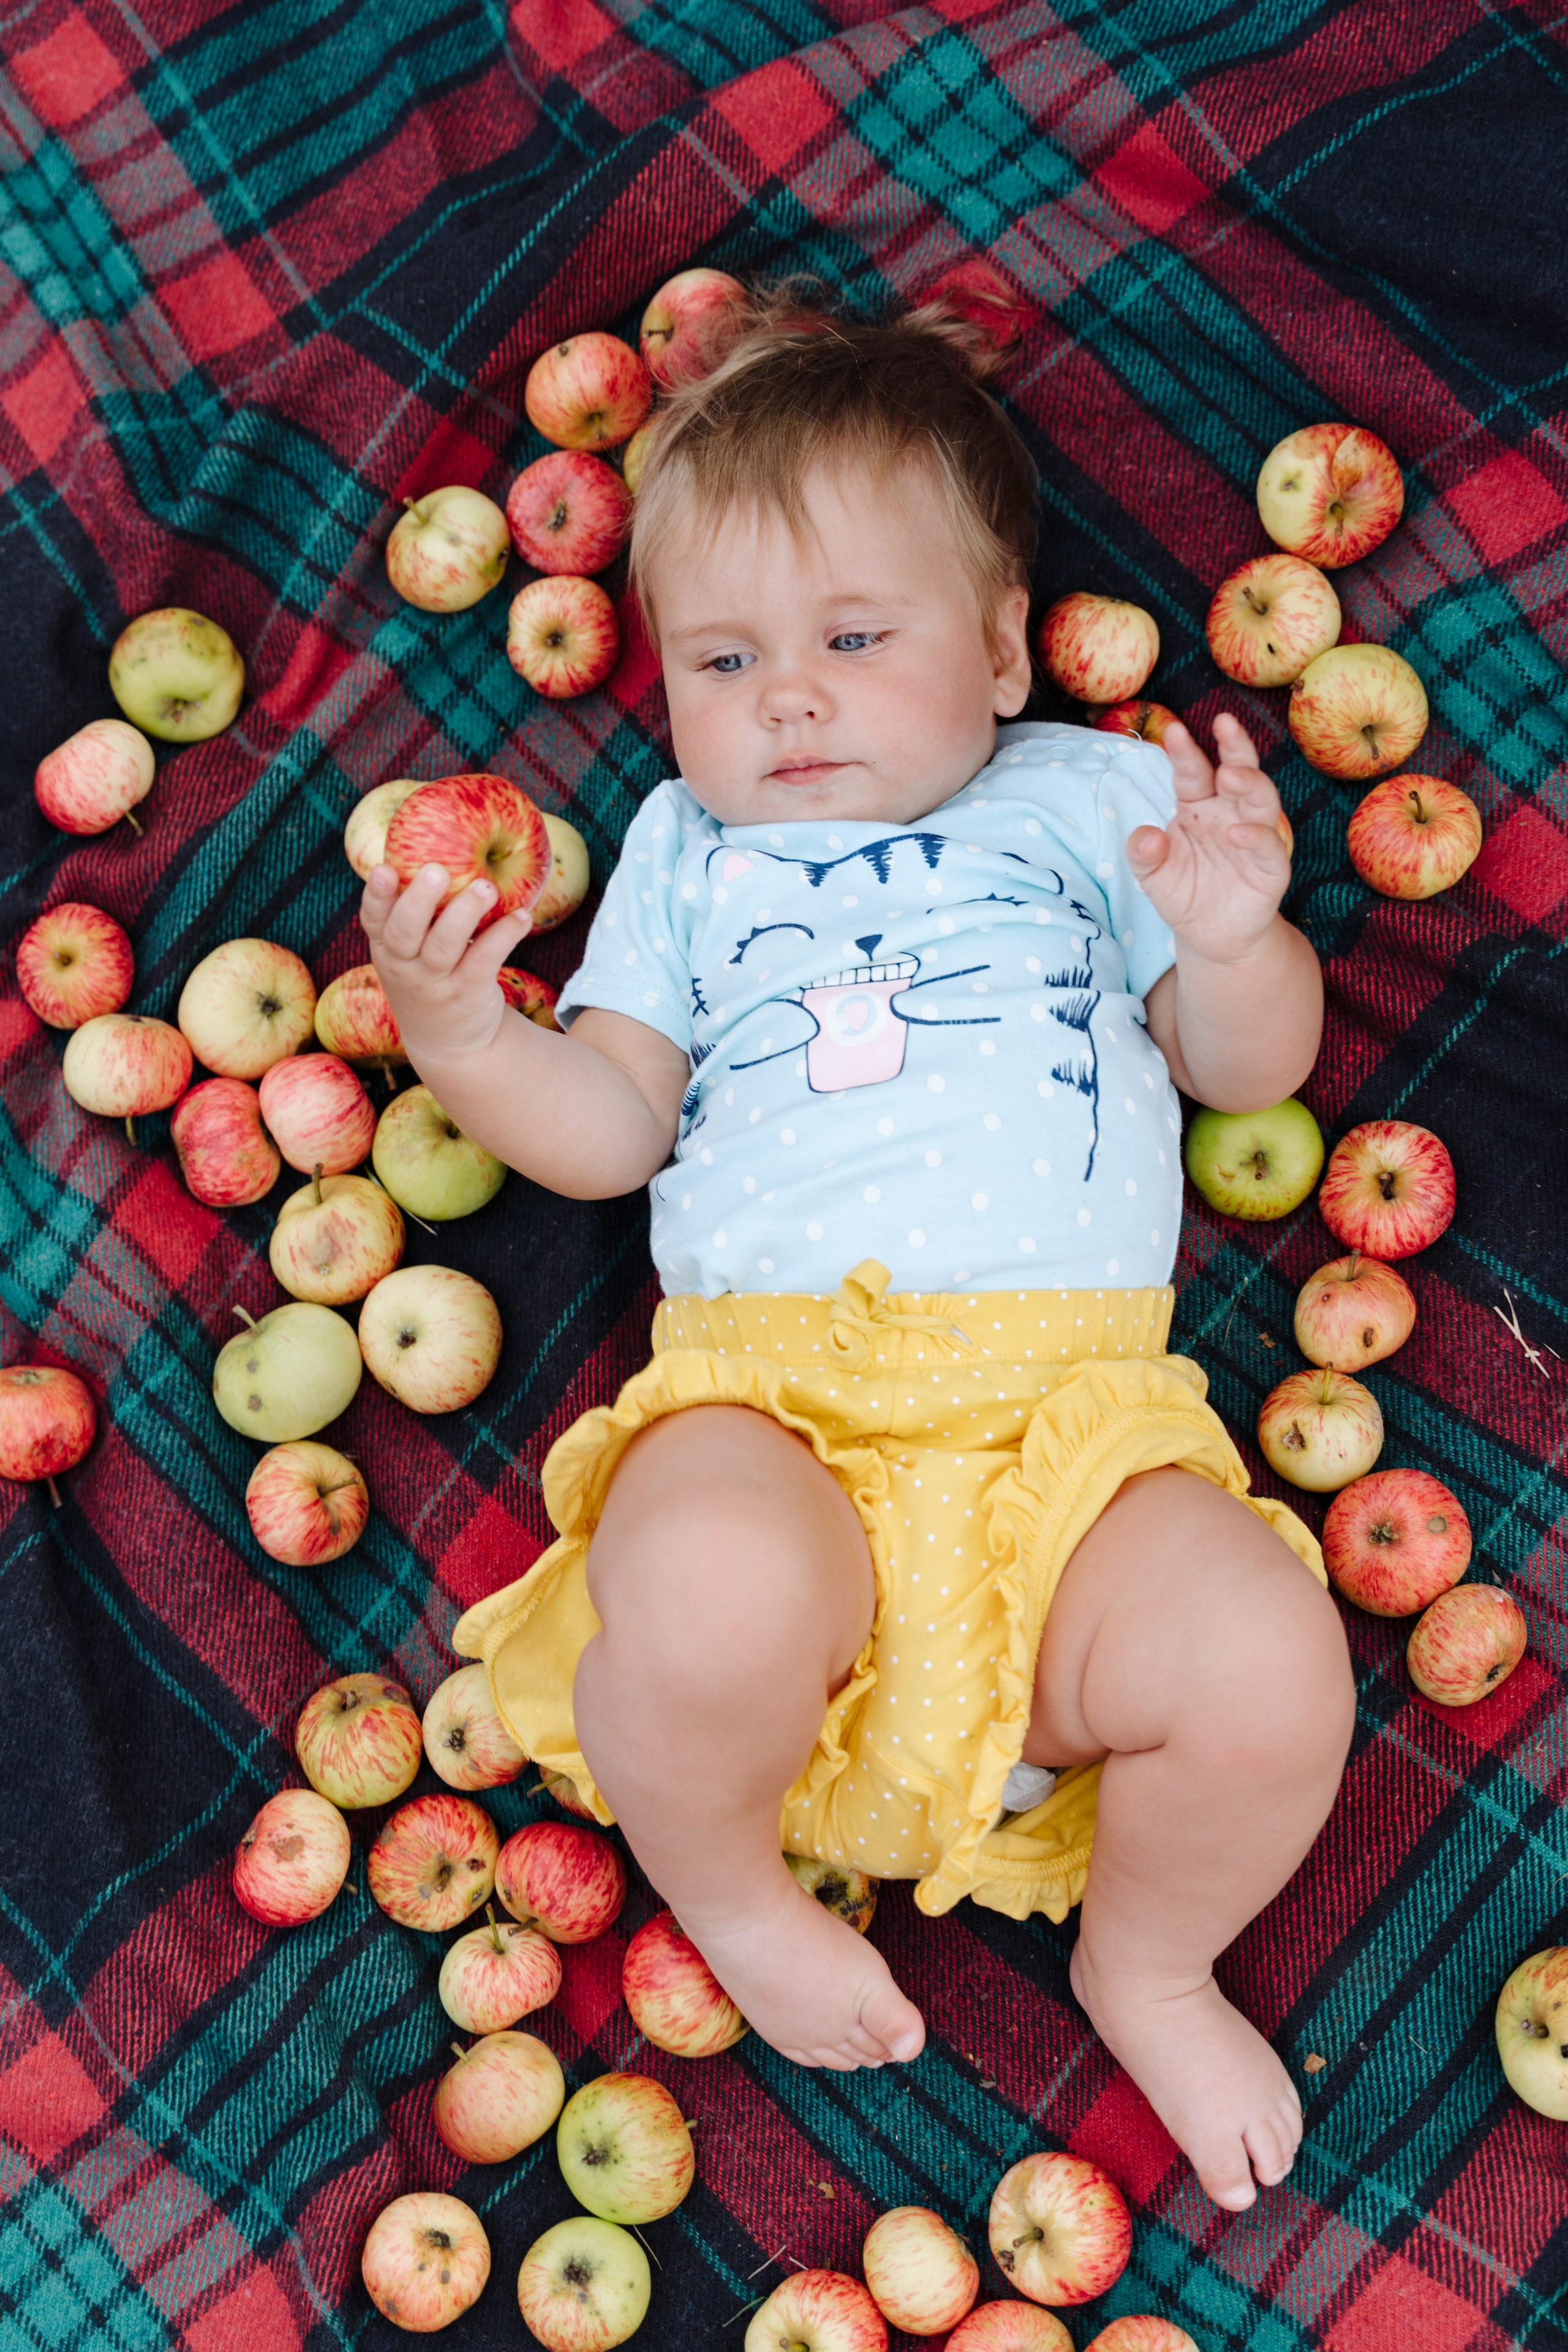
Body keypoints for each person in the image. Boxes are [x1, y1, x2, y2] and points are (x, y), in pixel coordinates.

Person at [361, 293, 1355, 2214]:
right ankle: (731, 1892)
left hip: (1071, 1453)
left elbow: (1249, 1078)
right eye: (723, 660)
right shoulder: (683, 857)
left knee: (1264, 1661)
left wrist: (1235, 945)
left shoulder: (1097, 806)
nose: (787, 699)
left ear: (1000, 653)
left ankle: (1144, 1955)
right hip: (784, 1409)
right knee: (698, 1572)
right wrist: (474, 1039)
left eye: (851, 640)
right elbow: (613, 1126)